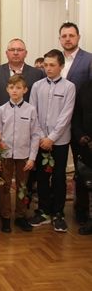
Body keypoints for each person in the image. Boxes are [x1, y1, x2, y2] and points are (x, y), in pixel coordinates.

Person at [28, 49, 75, 232]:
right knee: (41, 176)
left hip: (60, 141)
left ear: (61, 66)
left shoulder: (69, 87)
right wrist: (42, 137)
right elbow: (33, 112)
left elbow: (66, 115)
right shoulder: (37, 86)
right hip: (40, 140)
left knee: (58, 177)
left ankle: (58, 213)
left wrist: (52, 137)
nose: (48, 68)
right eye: (46, 65)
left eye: (52, 65)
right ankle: (43, 211)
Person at [0, 75, 41, 233]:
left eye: (18, 88)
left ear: (25, 90)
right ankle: (5, 217)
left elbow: (35, 135)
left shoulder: (31, 110)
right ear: (7, 89)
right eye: (12, 87)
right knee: (5, 186)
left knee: (22, 186)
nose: (15, 91)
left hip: (24, 155)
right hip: (5, 155)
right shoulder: (1, 110)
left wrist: (32, 157)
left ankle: (21, 216)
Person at [58, 22, 92, 224]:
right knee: (57, 168)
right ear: (60, 39)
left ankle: (82, 211)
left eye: (71, 35)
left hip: (81, 126)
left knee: (82, 169)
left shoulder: (88, 60)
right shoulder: (55, 60)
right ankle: (56, 208)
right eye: (64, 36)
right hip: (57, 125)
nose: (68, 39)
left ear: (78, 37)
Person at [0, 38, 43, 118]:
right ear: (6, 53)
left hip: (27, 121)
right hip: (0, 120)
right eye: (12, 50)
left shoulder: (37, 74)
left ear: (26, 53)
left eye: (19, 50)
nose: (15, 53)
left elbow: (40, 102)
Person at [72, 79, 92, 234]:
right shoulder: (85, 86)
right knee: (85, 182)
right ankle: (85, 216)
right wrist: (80, 136)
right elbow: (76, 115)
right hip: (86, 145)